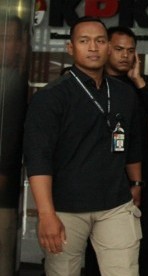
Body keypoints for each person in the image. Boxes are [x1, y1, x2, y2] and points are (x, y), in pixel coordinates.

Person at [23, 17, 143, 276]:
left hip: (115, 204)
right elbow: (38, 159)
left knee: (125, 271)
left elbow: (132, 145)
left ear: (109, 47)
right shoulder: (51, 97)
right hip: (65, 207)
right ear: (70, 48)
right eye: (84, 41)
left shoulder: (124, 93)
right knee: (62, 272)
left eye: (100, 41)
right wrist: (46, 215)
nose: (93, 47)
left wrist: (136, 184)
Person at [83, 25, 148, 276]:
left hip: (140, 175)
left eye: (130, 51)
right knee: (98, 244)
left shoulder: (141, 84)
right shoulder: (91, 83)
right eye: (119, 49)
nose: (125, 55)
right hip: (100, 176)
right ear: (106, 48)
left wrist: (139, 81)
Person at [0, 15, 29, 276]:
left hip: (3, 192)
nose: (1, 45)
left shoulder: (15, 83)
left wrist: (3, 173)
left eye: (7, 39)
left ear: (21, 45)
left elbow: (10, 138)